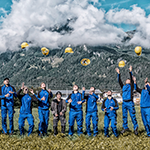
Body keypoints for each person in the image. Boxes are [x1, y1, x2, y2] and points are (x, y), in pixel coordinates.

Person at [115, 66, 138, 135]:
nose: (128, 80)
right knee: (124, 115)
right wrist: (119, 74)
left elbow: (131, 78)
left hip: (130, 103)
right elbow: (119, 81)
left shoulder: (131, 86)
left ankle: (135, 128)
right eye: (127, 80)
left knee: (132, 116)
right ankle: (125, 127)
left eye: (129, 80)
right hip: (124, 103)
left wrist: (130, 71)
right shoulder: (123, 86)